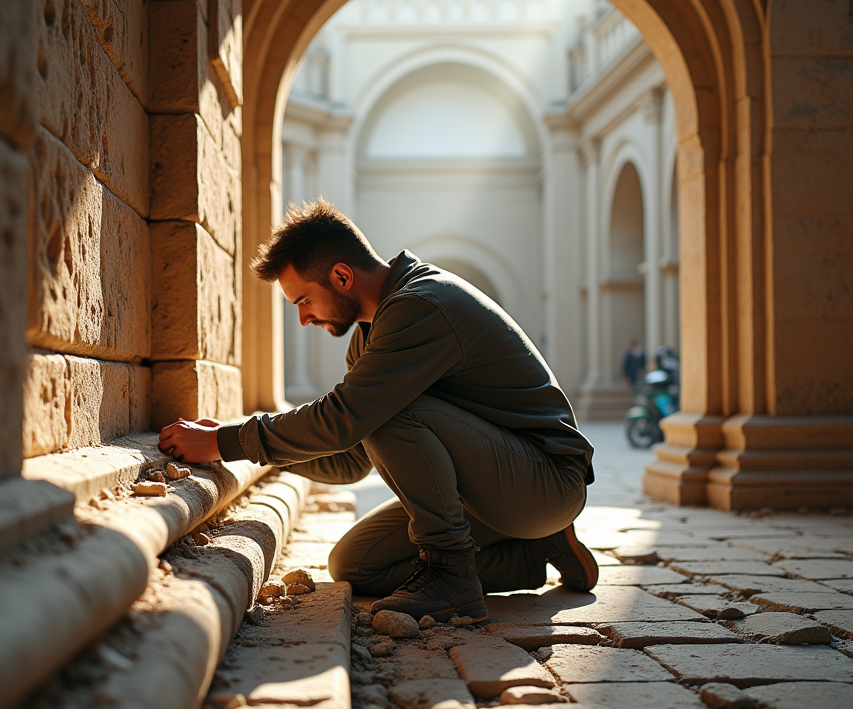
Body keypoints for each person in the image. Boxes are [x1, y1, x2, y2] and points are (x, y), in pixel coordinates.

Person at [159, 200, 598, 622]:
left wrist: (226, 441)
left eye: (303, 300)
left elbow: (347, 417)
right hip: (494, 493)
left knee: (388, 411)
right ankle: (533, 553)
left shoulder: (421, 304)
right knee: (354, 565)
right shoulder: (369, 334)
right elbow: (351, 458)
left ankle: (452, 576)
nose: (303, 319)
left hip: (547, 484)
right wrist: (257, 452)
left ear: (342, 276)